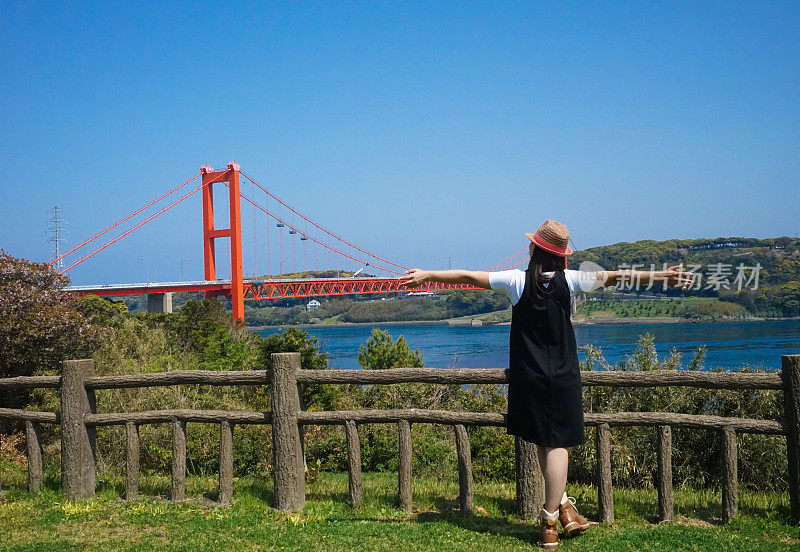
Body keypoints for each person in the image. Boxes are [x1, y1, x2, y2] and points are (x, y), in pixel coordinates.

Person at [399, 219, 693, 550]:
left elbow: (469, 276)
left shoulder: (516, 281)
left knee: (543, 439)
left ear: (534, 249)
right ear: (562, 255)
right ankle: (550, 521)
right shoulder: (573, 280)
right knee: (557, 444)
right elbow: (616, 277)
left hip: (528, 375)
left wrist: (428, 274)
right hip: (564, 375)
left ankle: (563, 509)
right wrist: (662, 276)